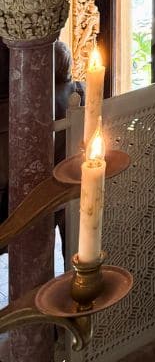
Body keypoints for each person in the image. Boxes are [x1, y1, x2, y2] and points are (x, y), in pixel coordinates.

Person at [54, 41, 85, 260]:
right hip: (73, 172)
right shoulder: (78, 90)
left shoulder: (39, 99)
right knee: (72, 238)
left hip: (50, 175)